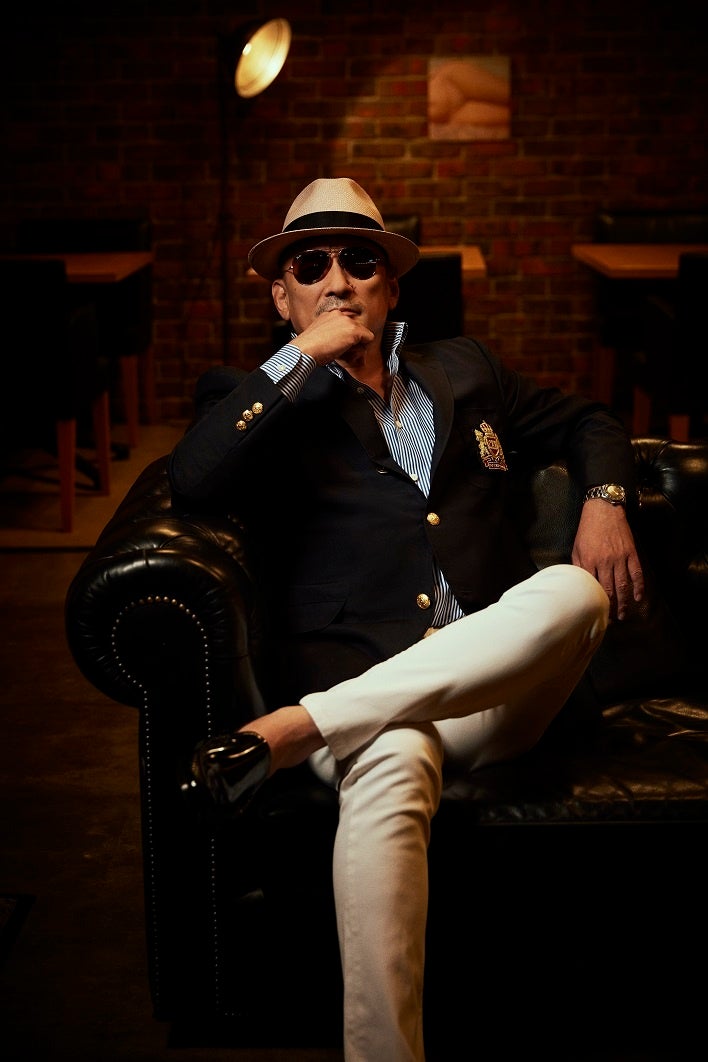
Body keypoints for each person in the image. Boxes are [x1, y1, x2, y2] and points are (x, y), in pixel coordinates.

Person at [169, 177, 644, 1062]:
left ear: (390, 286)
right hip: (368, 689)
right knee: (387, 756)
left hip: (499, 692)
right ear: (281, 297)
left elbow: (591, 421)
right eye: (310, 266)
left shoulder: (465, 368)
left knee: (576, 593)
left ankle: (291, 730)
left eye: (360, 261)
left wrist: (606, 501)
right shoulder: (250, 396)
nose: (337, 281)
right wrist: (298, 361)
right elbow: (192, 480)